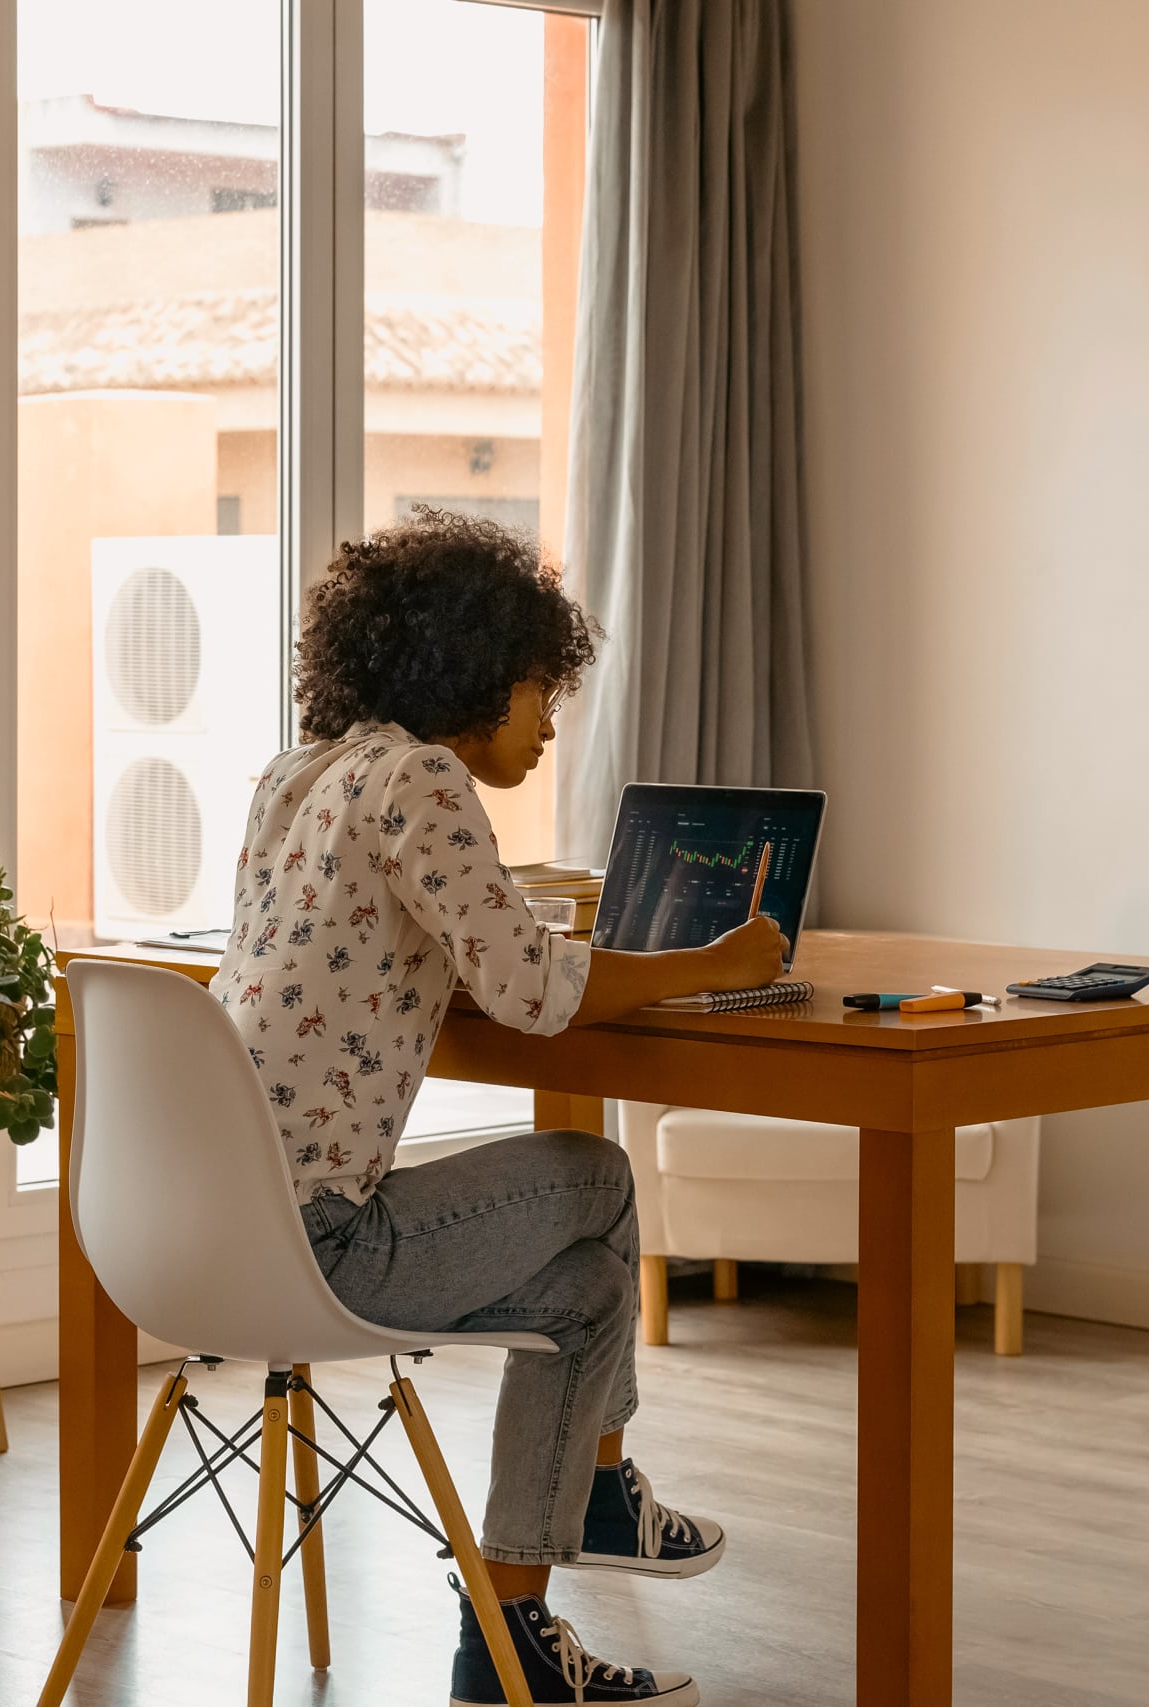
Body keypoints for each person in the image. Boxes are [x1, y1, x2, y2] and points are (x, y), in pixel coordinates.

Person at [212, 508, 786, 1706]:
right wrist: (714, 963)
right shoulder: (420, 778)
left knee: (585, 1297)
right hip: (323, 1241)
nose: (549, 722)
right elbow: (530, 992)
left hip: (204, 1239)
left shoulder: (294, 774)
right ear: (475, 673)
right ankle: (603, 1493)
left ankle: (507, 1644)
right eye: (538, 690)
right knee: (596, 1174)